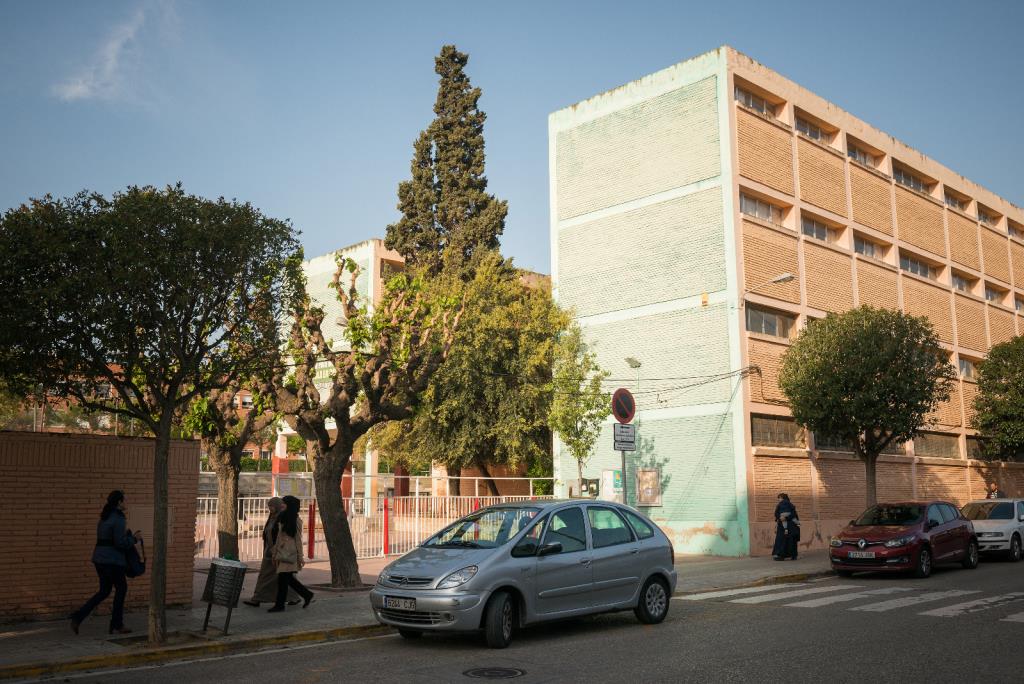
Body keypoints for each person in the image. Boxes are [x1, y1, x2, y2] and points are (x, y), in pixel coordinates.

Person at [70, 490, 143, 635]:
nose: (126, 503)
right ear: (119, 502)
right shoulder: (118, 518)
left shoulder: (104, 517)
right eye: (125, 500)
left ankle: (78, 616)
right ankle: (117, 624)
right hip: (112, 561)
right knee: (121, 589)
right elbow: (119, 543)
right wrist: (134, 538)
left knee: (104, 591)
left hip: (99, 559)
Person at [244, 497, 300, 607]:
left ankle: (293, 597)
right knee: (267, 576)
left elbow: (286, 536)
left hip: (278, 552)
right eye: (269, 506)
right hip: (270, 552)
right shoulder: (272, 517)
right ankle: (258, 598)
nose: (270, 508)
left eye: (272, 506)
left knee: (282, 577)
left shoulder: (283, 518)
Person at [268, 495, 314, 612]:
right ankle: (306, 595)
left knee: (284, 579)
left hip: (290, 554)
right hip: (282, 553)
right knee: (286, 579)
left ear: (290, 505)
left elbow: (298, 539)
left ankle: (280, 605)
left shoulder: (296, 520)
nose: (282, 505)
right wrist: (275, 552)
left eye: (284, 503)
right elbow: (279, 537)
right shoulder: (282, 517)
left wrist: (301, 557)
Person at [772, 493, 800, 561]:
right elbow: (794, 515)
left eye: (779, 498)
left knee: (782, 541)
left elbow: (776, 513)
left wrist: (782, 518)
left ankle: (781, 556)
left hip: (784, 527)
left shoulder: (780, 505)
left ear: (782, 498)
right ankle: (793, 556)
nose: (779, 500)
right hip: (792, 526)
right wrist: (785, 518)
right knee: (792, 541)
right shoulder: (791, 505)